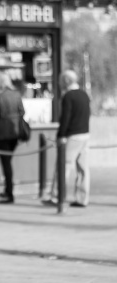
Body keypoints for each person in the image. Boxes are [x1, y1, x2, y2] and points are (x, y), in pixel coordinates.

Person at [43, 70, 91, 207]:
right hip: (85, 135)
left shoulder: (68, 96)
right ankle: (82, 198)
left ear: (66, 81)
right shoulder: (84, 94)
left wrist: (61, 136)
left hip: (72, 136)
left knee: (63, 166)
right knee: (83, 168)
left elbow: (65, 118)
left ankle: (56, 197)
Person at [0, 72, 25, 204]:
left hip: (3, 133)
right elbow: (22, 111)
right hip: (15, 132)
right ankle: (7, 190)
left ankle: (9, 193)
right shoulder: (16, 94)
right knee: (8, 162)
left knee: (6, 164)